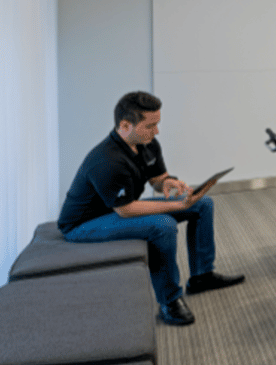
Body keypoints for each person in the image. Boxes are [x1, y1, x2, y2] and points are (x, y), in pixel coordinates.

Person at [58, 91, 245, 326]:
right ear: (125, 125)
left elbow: (158, 179)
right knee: (162, 226)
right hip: (85, 224)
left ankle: (202, 276)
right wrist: (177, 205)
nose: (156, 131)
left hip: (117, 210)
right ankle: (169, 301)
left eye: (158, 124)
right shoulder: (107, 160)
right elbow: (125, 211)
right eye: (151, 125)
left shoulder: (147, 143)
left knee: (202, 204)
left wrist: (169, 183)